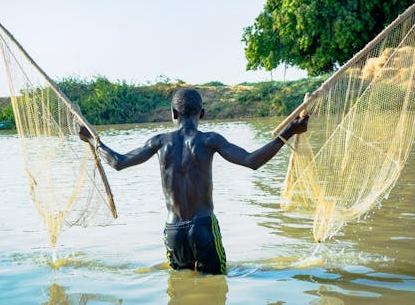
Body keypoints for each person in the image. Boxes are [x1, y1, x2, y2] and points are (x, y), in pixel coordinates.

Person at [79, 88, 308, 275]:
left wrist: (92, 140)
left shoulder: (159, 142)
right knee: (216, 286)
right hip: (203, 227)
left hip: (173, 231)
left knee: (179, 288)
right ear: (203, 113)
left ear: (173, 114)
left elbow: (118, 162)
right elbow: (252, 161)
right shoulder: (209, 140)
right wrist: (288, 131)